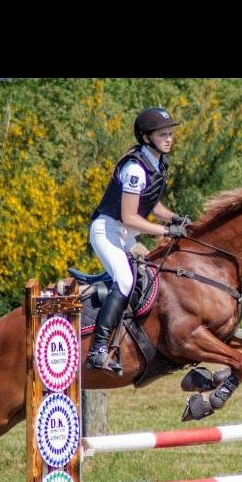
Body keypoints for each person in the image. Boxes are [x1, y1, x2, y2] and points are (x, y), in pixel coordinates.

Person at [85, 107, 192, 373]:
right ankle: (98, 350)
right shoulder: (135, 169)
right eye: (163, 134)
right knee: (125, 280)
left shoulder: (156, 163)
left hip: (125, 233)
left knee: (152, 276)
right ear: (146, 137)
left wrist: (175, 218)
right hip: (108, 231)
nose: (169, 139)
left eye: (170, 134)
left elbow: (152, 204)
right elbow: (130, 217)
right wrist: (166, 232)